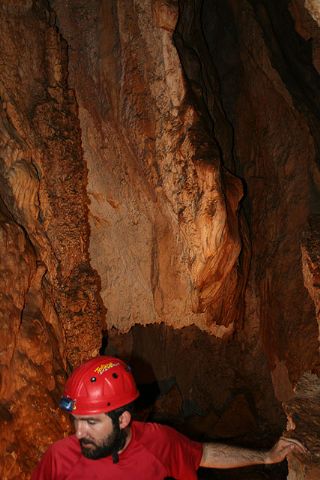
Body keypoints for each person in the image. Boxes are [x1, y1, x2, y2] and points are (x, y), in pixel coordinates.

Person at [32, 355, 306, 479]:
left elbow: (205, 455)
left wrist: (266, 457)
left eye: (91, 422)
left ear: (124, 419)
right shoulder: (59, 457)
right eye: (76, 420)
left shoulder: (157, 443)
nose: (78, 433)